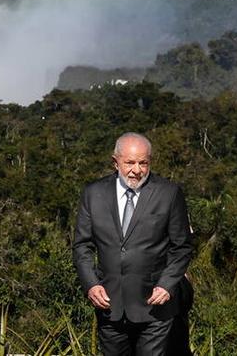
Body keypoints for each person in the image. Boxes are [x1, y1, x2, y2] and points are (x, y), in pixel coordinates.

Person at [73, 132, 193, 356]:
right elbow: (82, 246)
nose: (136, 170)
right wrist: (91, 284)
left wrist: (167, 284)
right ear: (115, 161)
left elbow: (182, 247)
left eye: (143, 163)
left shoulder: (169, 193)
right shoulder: (93, 193)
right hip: (109, 307)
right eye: (129, 162)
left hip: (156, 307)